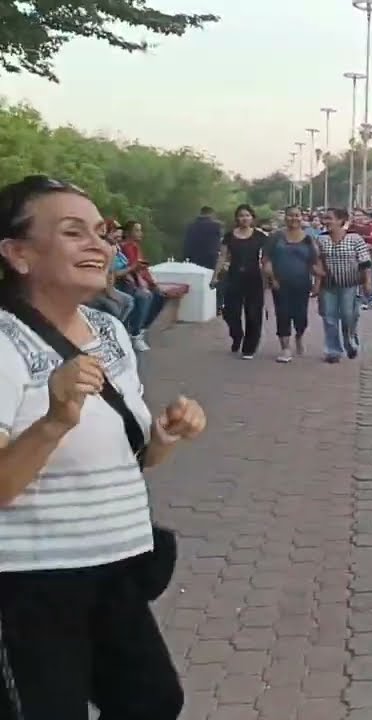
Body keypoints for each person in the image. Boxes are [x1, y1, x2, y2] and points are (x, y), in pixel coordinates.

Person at [0, 174, 207, 720]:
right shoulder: (4, 341)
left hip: (114, 569)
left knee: (151, 701)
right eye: (74, 233)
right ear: (19, 254)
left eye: (102, 232)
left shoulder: (107, 330)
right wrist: (54, 420)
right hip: (29, 584)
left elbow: (129, 464)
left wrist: (164, 436)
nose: (99, 246)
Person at [315, 208, 372, 364]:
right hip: (329, 285)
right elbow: (317, 260)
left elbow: (365, 262)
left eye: (330, 218)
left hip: (350, 284)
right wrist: (317, 283)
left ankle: (350, 341)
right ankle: (333, 351)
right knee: (329, 317)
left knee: (348, 316)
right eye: (324, 219)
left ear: (341, 221)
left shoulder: (354, 239)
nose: (326, 222)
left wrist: (368, 282)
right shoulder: (321, 239)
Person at [264, 206, 318, 363]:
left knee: (301, 316)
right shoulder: (276, 237)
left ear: (302, 218)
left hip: (302, 283)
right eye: (290, 216)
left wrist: (318, 283)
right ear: (285, 217)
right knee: (283, 314)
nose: (294, 218)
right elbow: (266, 260)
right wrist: (272, 279)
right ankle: (285, 348)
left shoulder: (308, 238)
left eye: (297, 215)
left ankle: (299, 336)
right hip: (280, 283)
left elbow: (314, 263)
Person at [214, 205, 269, 359]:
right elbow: (222, 257)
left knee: (253, 313)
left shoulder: (260, 236)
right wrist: (215, 275)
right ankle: (237, 335)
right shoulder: (229, 236)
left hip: (254, 278)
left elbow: (266, 259)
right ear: (237, 218)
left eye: (247, 215)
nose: (244, 218)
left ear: (252, 218)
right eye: (241, 215)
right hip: (234, 277)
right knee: (230, 312)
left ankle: (249, 347)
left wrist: (269, 276)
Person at [116, 220, 162, 351]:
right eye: (137, 230)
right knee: (144, 296)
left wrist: (153, 284)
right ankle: (135, 333)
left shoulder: (135, 247)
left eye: (140, 230)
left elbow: (143, 269)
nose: (140, 233)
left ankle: (141, 329)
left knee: (159, 295)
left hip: (137, 281)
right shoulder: (124, 247)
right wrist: (142, 285)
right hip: (126, 283)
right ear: (128, 232)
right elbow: (132, 268)